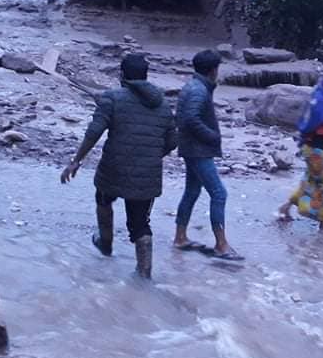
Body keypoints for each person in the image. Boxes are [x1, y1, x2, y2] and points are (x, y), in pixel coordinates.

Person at [60, 54, 177, 280]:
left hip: (114, 168)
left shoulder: (112, 98)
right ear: (145, 76)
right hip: (147, 174)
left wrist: (76, 161)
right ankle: (144, 275)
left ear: (122, 76)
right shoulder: (162, 103)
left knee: (104, 200)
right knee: (140, 223)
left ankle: (105, 244)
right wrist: (152, 154)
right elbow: (172, 140)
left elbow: (94, 132)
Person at [173, 50, 243, 261]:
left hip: (191, 148)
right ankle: (221, 245)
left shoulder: (194, 86)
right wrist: (212, 136)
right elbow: (191, 119)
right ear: (213, 70)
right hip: (198, 150)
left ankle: (180, 237)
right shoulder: (198, 91)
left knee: (192, 191)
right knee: (219, 194)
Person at [277, 68, 323, 233]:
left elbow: (315, 123)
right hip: (317, 151)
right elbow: (319, 126)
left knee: (310, 182)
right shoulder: (322, 101)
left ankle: (285, 208)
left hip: (312, 149)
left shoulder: (319, 96)